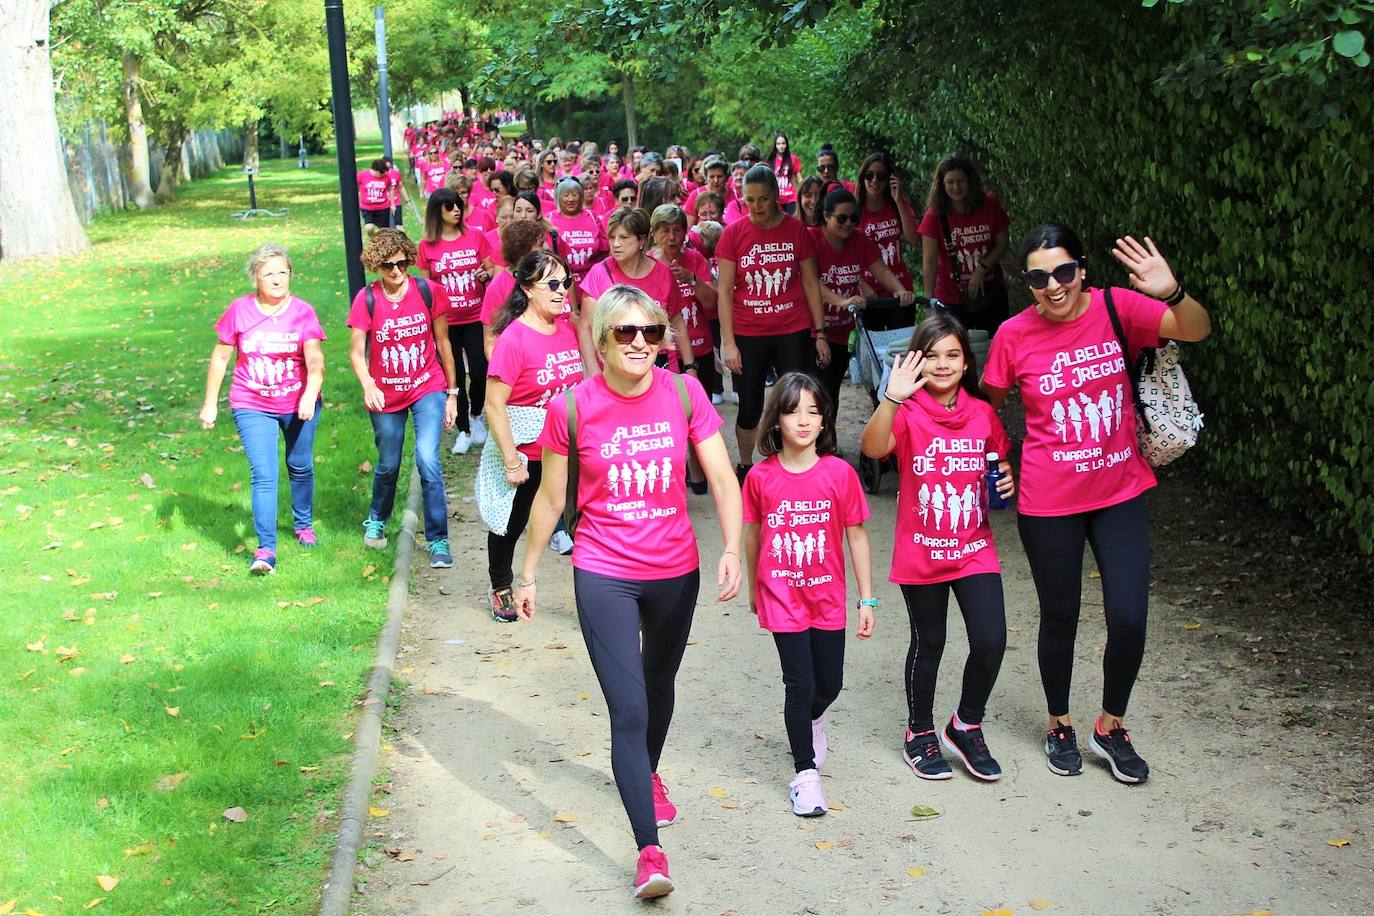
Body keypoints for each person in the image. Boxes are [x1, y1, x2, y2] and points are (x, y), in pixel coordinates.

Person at [511, 285, 744, 901]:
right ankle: (648, 850)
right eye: (626, 331)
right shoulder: (571, 408)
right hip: (604, 570)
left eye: (652, 331)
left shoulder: (685, 393)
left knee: (659, 685)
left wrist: (731, 548)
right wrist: (527, 573)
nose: (641, 342)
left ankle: (648, 771)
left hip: (675, 570)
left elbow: (723, 479)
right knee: (630, 708)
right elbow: (551, 499)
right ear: (602, 340)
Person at [981, 225, 1212, 784]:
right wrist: (996, 460)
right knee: (1060, 615)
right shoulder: (1013, 334)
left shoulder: (1117, 307)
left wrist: (1172, 292)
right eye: (1039, 277)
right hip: (1048, 499)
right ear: (1028, 283)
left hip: (1119, 491)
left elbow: (1196, 329)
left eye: (1063, 271)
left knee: (1130, 615)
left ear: (1081, 270)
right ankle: (1059, 724)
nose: (1053, 286)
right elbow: (985, 407)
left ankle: (1110, 726)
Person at [860, 312, 1015, 782]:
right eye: (932, 356)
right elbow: (873, 448)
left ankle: (965, 725)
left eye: (952, 355)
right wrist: (892, 396)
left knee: (991, 639)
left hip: (973, 546)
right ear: (916, 362)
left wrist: (1006, 479)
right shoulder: (907, 412)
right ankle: (920, 732)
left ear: (967, 362)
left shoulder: (982, 412)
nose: (943, 364)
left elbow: (998, 462)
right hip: (922, 548)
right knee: (930, 642)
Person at [743, 372, 874, 816]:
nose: (803, 421)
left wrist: (867, 598)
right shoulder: (761, 477)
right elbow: (753, 535)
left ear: (824, 420)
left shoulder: (839, 474)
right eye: (793, 411)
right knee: (799, 683)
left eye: (813, 412)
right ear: (776, 420)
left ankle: (813, 718)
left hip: (827, 598)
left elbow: (856, 536)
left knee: (828, 684)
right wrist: (753, 586)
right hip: (782, 596)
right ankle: (805, 776)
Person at [200, 243, 325, 575]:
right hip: (252, 402)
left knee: (300, 465)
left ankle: (303, 524)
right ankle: (266, 550)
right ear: (255, 276)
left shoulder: (303, 311)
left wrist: (310, 393)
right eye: (269, 274)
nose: (277, 279)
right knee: (264, 474)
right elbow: (221, 358)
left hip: (298, 402)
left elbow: (315, 360)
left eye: (283, 272)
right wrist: (210, 404)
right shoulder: (239, 310)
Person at [483, 250, 586, 621]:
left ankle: (600, 595)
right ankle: (501, 586)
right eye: (552, 284)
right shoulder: (514, 340)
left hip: (569, 449)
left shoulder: (567, 330)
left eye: (566, 282)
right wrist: (512, 461)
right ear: (527, 288)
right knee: (511, 524)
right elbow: (494, 404)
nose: (562, 291)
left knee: (586, 523)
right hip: (530, 454)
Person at [347, 229, 458, 568]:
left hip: (427, 385)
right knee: (389, 463)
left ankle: (438, 539)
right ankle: (377, 517)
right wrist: (368, 384)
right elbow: (356, 352)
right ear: (376, 265)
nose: (396, 271)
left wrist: (452, 393)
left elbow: (443, 344)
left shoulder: (427, 291)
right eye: (387, 265)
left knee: (427, 459)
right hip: (386, 392)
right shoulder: (367, 298)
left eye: (401, 263)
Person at [717, 164, 829, 481]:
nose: (756, 207)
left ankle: (794, 460)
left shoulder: (796, 231)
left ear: (777, 195)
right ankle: (745, 464)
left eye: (763, 199)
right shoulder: (733, 234)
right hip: (748, 332)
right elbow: (724, 291)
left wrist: (820, 332)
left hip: (792, 328)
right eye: (749, 200)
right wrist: (729, 343)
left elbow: (810, 282)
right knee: (750, 406)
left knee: (796, 400)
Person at [810, 187, 916, 417]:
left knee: (831, 390)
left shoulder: (859, 240)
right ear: (826, 216)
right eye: (841, 218)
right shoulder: (812, 239)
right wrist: (841, 301)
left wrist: (900, 291)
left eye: (854, 218)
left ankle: (827, 435)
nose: (849, 223)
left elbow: (881, 270)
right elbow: (810, 282)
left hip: (840, 330)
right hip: (811, 328)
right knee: (813, 390)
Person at [417, 188, 493, 455]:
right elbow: (425, 286)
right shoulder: (427, 245)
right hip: (445, 323)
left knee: (481, 371)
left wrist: (485, 274)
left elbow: (491, 266)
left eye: (458, 205)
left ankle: (476, 414)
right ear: (437, 212)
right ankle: (464, 429)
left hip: (476, 316)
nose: (457, 210)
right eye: (449, 207)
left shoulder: (476, 236)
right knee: (455, 375)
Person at [649, 204, 719, 487]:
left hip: (700, 347)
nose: (672, 237)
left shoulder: (695, 259)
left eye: (677, 230)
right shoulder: (649, 264)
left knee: (698, 413)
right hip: (665, 353)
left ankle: (697, 466)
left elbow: (712, 302)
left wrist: (692, 280)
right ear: (654, 234)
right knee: (667, 415)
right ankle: (676, 468)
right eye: (665, 231)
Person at [579, 207, 693, 375]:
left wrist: (690, 367)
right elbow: (585, 326)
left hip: (660, 364)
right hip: (616, 367)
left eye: (624, 237)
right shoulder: (599, 273)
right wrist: (592, 369)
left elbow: (677, 322)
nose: (616, 244)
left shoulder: (664, 274)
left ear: (642, 240)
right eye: (612, 237)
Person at [918, 154, 1011, 334]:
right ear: (942, 185)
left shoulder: (989, 204)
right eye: (950, 182)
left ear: (970, 181)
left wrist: (981, 270)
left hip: (989, 292)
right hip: (951, 297)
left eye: (960, 181)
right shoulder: (935, 215)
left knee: (995, 341)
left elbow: (1002, 243)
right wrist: (929, 303)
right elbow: (929, 262)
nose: (956, 187)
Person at [855, 151, 919, 329]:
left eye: (881, 176)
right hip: (870, 293)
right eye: (869, 175)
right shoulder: (855, 210)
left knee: (901, 344)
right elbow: (846, 253)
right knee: (873, 344)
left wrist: (898, 201)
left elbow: (913, 239)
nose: (874, 181)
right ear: (862, 178)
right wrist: (860, 284)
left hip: (900, 290)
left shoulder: (896, 204)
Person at [548, 176, 607, 287]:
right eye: (566, 195)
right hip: (562, 282)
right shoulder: (549, 220)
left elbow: (604, 251)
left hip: (593, 281)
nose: (570, 199)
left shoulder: (592, 216)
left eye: (574, 195)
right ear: (558, 197)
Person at [357, 158, 393, 236]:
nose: (382, 174)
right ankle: (374, 239)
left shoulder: (386, 177)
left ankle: (381, 241)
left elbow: (390, 189)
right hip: (367, 207)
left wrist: (392, 204)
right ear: (375, 170)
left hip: (383, 207)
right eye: (381, 172)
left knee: (384, 231)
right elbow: (352, 186)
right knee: (369, 228)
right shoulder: (362, 175)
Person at [769, 133, 803, 215]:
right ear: (775, 145)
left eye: (783, 143)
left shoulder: (793, 159)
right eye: (778, 144)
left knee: (793, 219)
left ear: (786, 144)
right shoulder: (771, 161)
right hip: (776, 198)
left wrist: (805, 191)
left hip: (791, 198)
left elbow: (800, 179)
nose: (781, 146)